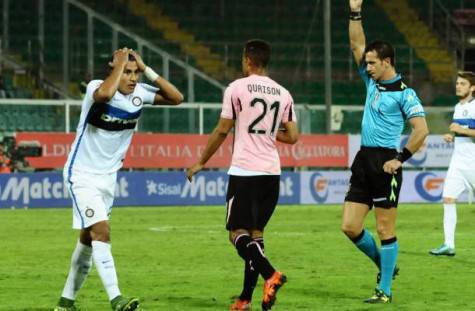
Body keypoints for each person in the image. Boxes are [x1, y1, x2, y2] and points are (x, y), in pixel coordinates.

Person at [54, 47, 183, 311]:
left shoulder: (139, 94)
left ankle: (65, 302)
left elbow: (177, 97)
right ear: (114, 71)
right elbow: (105, 94)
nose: (133, 78)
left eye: (135, 73)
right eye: (127, 72)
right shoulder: (95, 88)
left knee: (88, 238)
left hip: (108, 179)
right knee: (102, 231)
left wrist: (147, 69)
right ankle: (117, 299)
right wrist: (119, 64)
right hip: (82, 174)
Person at [186, 39, 298, 311]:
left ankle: (271, 274)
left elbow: (223, 130)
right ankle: (245, 299)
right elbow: (293, 136)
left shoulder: (236, 89)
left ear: (248, 60)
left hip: (245, 172)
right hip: (271, 173)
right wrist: (270, 134)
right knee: (256, 236)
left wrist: (201, 161)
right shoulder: (283, 93)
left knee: (236, 234)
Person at [341, 0, 429, 304]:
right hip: (364, 159)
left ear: (387, 62)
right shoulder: (371, 83)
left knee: (383, 227)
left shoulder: (406, 94)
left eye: (372, 63)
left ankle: (385, 290)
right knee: (350, 227)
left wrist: (399, 159)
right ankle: (386, 267)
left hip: (385, 162)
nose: (366, 67)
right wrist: (355, 12)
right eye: (366, 63)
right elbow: (356, 43)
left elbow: (421, 131)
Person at [430, 71, 475, 257]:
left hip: (473, 163)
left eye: (463, 83)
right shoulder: (458, 107)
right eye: (457, 83)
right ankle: (449, 245)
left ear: (472, 88)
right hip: (458, 162)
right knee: (448, 199)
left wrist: (461, 129)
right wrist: (454, 136)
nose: (458, 86)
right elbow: (464, 133)